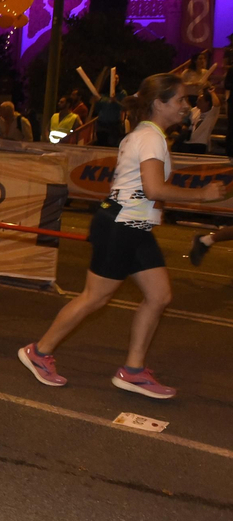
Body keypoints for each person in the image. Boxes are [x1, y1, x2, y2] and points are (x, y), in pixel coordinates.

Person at [22, 74, 226, 399]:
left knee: (159, 296)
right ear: (159, 103)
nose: (185, 106)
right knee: (95, 297)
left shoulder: (147, 134)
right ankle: (39, 352)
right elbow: (154, 189)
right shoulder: (150, 138)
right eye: (179, 100)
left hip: (134, 225)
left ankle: (133, 371)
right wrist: (203, 195)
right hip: (121, 224)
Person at [182, 88, 219, 154]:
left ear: (207, 103)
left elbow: (217, 104)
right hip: (188, 141)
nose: (197, 102)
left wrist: (212, 92)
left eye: (200, 101)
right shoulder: (194, 110)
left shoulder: (212, 114)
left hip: (200, 143)